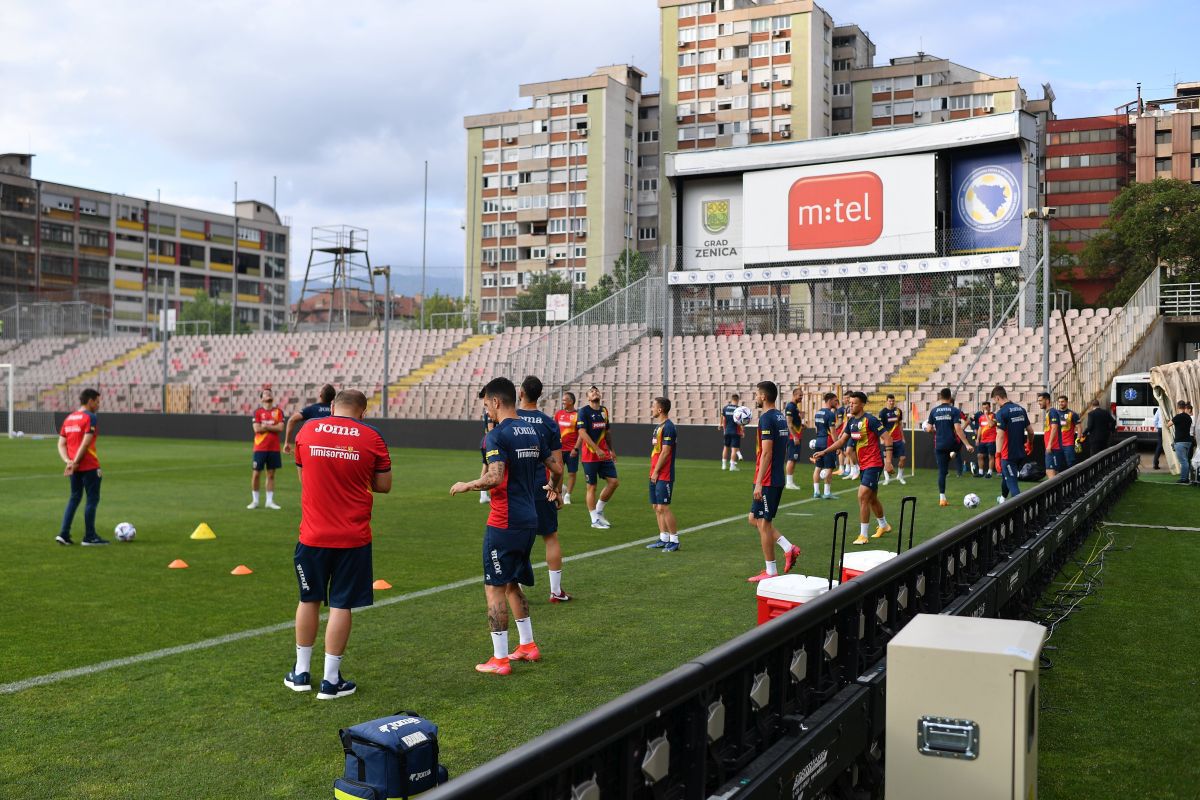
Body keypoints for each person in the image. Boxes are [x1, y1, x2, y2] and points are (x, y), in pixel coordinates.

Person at [450, 377, 562, 676]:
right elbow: (557, 467)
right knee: (513, 585)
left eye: (486, 404)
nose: (486, 410)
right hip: (529, 519)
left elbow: (495, 477)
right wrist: (555, 489)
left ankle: (499, 659)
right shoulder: (533, 430)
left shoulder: (496, 436)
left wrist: (467, 484)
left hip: (505, 521)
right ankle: (528, 645)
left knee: (494, 587)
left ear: (497, 402)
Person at [285, 389, 391, 699]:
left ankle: (301, 672)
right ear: (363, 411)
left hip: (313, 535)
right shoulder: (372, 437)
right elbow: (383, 485)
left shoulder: (308, 430)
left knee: (309, 599)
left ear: (332, 406)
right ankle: (331, 681)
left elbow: (305, 478)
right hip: (352, 537)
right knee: (341, 604)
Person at [812, 391, 892, 546]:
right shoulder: (851, 423)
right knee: (872, 498)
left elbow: (887, 438)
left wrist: (888, 462)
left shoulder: (871, 420)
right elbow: (841, 441)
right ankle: (884, 525)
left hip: (874, 464)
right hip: (863, 465)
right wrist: (824, 451)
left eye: (854, 403)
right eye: (850, 403)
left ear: (862, 404)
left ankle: (863, 535)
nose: (850, 405)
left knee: (862, 496)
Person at [517, 376, 570, 602]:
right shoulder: (549, 423)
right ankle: (556, 592)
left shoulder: (511, 420)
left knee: (518, 541)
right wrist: (556, 491)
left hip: (517, 490)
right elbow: (558, 465)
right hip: (543, 487)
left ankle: (516, 592)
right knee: (550, 537)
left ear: (521, 393)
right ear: (539, 395)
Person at [746, 381, 802, 581]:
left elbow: (767, 452)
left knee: (764, 524)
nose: (755, 397)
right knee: (754, 519)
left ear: (763, 396)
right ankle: (789, 548)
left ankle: (770, 571)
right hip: (771, 476)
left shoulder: (767, 419)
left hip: (768, 479)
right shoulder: (779, 416)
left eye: (756, 394)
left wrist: (760, 482)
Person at [56, 388, 107, 546]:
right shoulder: (90, 417)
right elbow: (86, 442)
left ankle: (64, 534)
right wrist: (75, 462)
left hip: (74, 467)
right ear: (90, 401)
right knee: (92, 500)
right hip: (89, 465)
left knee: (74, 498)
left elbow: (61, 444)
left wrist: (68, 462)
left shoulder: (69, 418)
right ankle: (89, 537)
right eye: (97, 402)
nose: (98, 405)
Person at [576, 385, 619, 529]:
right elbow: (582, 433)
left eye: (596, 390)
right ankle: (594, 519)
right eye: (591, 391)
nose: (595, 392)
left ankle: (599, 510)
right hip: (590, 455)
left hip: (604, 454)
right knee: (591, 487)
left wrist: (611, 450)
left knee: (614, 482)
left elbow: (607, 431)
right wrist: (597, 449)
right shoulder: (583, 412)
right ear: (588, 397)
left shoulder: (604, 411)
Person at [925, 388, 974, 507]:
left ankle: (942, 498)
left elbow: (929, 429)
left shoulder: (934, 411)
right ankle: (953, 453)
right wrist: (967, 444)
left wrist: (935, 431)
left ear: (940, 397)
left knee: (942, 472)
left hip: (940, 444)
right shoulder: (954, 410)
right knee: (961, 441)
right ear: (950, 397)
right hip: (952, 443)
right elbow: (958, 429)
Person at [645, 397, 681, 552]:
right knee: (656, 507)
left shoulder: (669, 427)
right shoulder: (658, 427)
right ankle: (663, 537)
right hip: (654, 472)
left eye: (653, 406)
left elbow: (666, 452)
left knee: (664, 507)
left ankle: (674, 540)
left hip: (663, 474)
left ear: (660, 409)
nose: (651, 409)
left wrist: (657, 471)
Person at [993, 386, 1033, 504]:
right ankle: (1002, 499)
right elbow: (1031, 431)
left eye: (995, 400)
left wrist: (997, 455)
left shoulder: (1001, 413)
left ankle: (1020, 513)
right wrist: (1030, 444)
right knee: (1007, 476)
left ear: (997, 397)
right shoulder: (1020, 409)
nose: (995, 402)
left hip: (1008, 455)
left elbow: (1000, 436)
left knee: (1013, 484)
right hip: (1020, 453)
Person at [249, 387, 285, 510]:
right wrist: (272, 426)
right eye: (265, 393)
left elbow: (280, 428)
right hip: (260, 448)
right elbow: (257, 429)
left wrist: (265, 426)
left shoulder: (278, 412)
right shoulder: (258, 412)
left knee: (271, 475)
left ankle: (269, 501)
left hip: (274, 448)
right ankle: (255, 500)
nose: (268, 394)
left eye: (269, 393)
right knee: (256, 474)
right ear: (261, 398)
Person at [283, 383, 335, 454]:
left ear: (320, 395)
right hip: (332, 448)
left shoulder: (312, 409)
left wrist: (287, 442)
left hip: (315, 448)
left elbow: (292, 420)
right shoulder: (337, 409)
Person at [554, 392, 581, 505]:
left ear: (571, 401)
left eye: (565, 400)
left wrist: (576, 448)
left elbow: (581, 433)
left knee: (572, 473)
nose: (563, 402)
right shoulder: (559, 414)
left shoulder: (578, 415)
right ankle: (560, 493)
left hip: (572, 450)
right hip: (559, 449)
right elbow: (554, 430)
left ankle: (568, 495)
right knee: (558, 472)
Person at [811, 392, 838, 499]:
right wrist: (838, 445)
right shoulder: (830, 414)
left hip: (818, 441)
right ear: (830, 400)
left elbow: (816, 429)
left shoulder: (818, 413)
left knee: (818, 467)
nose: (836, 402)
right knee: (829, 468)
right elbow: (833, 432)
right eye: (835, 400)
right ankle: (827, 493)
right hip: (828, 442)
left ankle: (816, 492)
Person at [878, 394, 907, 486]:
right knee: (886, 460)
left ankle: (900, 476)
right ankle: (887, 479)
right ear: (886, 401)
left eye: (893, 401)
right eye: (890, 401)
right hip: (887, 440)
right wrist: (881, 439)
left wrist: (903, 437)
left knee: (903, 458)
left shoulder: (898, 411)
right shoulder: (882, 412)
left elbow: (900, 425)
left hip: (898, 439)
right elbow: (879, 427)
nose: (891, 402)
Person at [1037, 392, 1065, 479]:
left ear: (1047, 400)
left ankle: (1057, 492)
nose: (1039, 403)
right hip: (1053, 447)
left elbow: (1054, 428)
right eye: (1038, 401)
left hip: (1053, 448)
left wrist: (1049, 445)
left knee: (1050, 473)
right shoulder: (1049, 412)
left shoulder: (1052, 412)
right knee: (1054, 474)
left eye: (1041, 400)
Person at [784, 387, 806, 490]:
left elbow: (794, 423)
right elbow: (789, 423)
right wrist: (794, 436)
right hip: (793, 437)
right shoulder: (790, 407)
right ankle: (788, 483)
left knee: (793, 459)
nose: (801, 397)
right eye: (800, 395)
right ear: (794, 395)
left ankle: (790, 482)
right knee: (791, 459)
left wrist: (801, 426)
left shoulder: (795, 407)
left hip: (796, 436)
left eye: (802, 395)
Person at [1166, 400, 1193, 484]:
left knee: (1183, 461)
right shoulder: (1188, 417)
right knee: (1186, 460)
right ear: (1185, 407)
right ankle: (1187, 477)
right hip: (1188, 441)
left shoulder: (1177, 417)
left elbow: (1168, 424)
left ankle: (1184, 479)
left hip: (1180, 442)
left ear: (1177, 407)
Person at [972, 401, 997, 478]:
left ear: (990, 407)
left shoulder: (994, 415)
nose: (985, 409)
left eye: (986, 408)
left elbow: (991, 424)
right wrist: (977, 439)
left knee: (991, 456)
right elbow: (980, 428)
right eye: (983, 408)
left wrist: (986, 415)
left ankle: (989, 472)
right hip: (983, 440)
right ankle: (980, 472)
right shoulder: (981, 417)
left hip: (991, 440)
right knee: (979, 455)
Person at [719, 393, 744, 471]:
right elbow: (740, 422)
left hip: (727, 431)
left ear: (732, 399)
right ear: (738, 400)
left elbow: (722, 418)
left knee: (725, 448)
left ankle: (723, 465)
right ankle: (732, 467)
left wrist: (720, 425)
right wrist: (742, 431)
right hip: (735, 431)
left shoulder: (725, 408)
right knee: (734, 449)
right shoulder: (739, 409)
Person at [1056, 395, 1079, 468]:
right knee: (1058, 465)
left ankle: (1073, 479)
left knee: (1071, 464)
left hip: (1069, 444)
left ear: (1066, 402)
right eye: (1059, 402)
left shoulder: (1072, 414)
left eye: (1062, 402)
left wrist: (1078, 440)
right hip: (1057, 444)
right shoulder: (1055, 413)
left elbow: (1079, 427)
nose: (1060, 403)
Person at [1152, 405, 1164, 470]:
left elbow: (1155, 420)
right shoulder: (1170, 407)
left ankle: (1155, 463)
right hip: (1168, 429)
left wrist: (1157, 428)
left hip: (1160, 428)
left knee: (1159, 446)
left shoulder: (1160, 409)